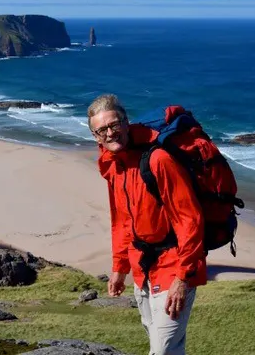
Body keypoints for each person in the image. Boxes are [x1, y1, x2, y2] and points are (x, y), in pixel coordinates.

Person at [88, 93, 207, 355]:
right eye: (102, 130)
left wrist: (183, 277)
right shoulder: (114, 165)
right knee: (162, 344)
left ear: (126, 123)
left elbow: (190, 219)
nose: (110, 133)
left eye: (114, 124)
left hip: (175, 265)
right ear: (95, 136)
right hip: (142, 268)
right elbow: (121, 221)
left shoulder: (158, 160)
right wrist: (119, 268)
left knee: (163, 350)